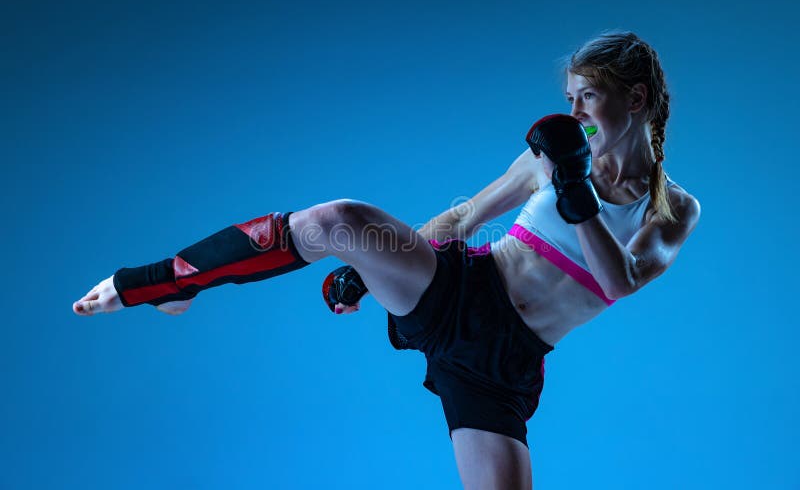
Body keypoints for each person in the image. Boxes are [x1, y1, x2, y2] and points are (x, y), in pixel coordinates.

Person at [73, 30, 701, 489]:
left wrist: (573, 188)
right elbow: (464, 218)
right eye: (569, 98)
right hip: (461, 287)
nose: (574, 115)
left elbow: (621, 280)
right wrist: (371, 279)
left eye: (588, 98)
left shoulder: (671, 208)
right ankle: (165, 283)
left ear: (637, 99)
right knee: (336, 220)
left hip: (501, 363)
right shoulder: (550, 158)